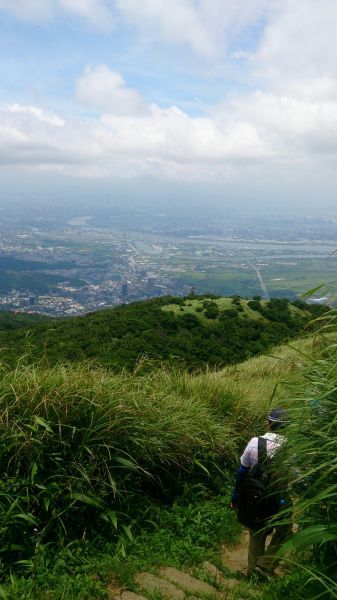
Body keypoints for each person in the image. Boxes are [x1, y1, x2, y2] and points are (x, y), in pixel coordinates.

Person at [230, 407, 291, 578]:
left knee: (256, 530)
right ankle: (264, 566)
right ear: (288, 427)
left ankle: (252, 573)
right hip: (279, 499)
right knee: (285, 530)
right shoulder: (291, 448)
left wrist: (236, 497)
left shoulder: (254, 442)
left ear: (269, 424)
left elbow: (242, 472)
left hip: (254, 496)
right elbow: (296, 475)